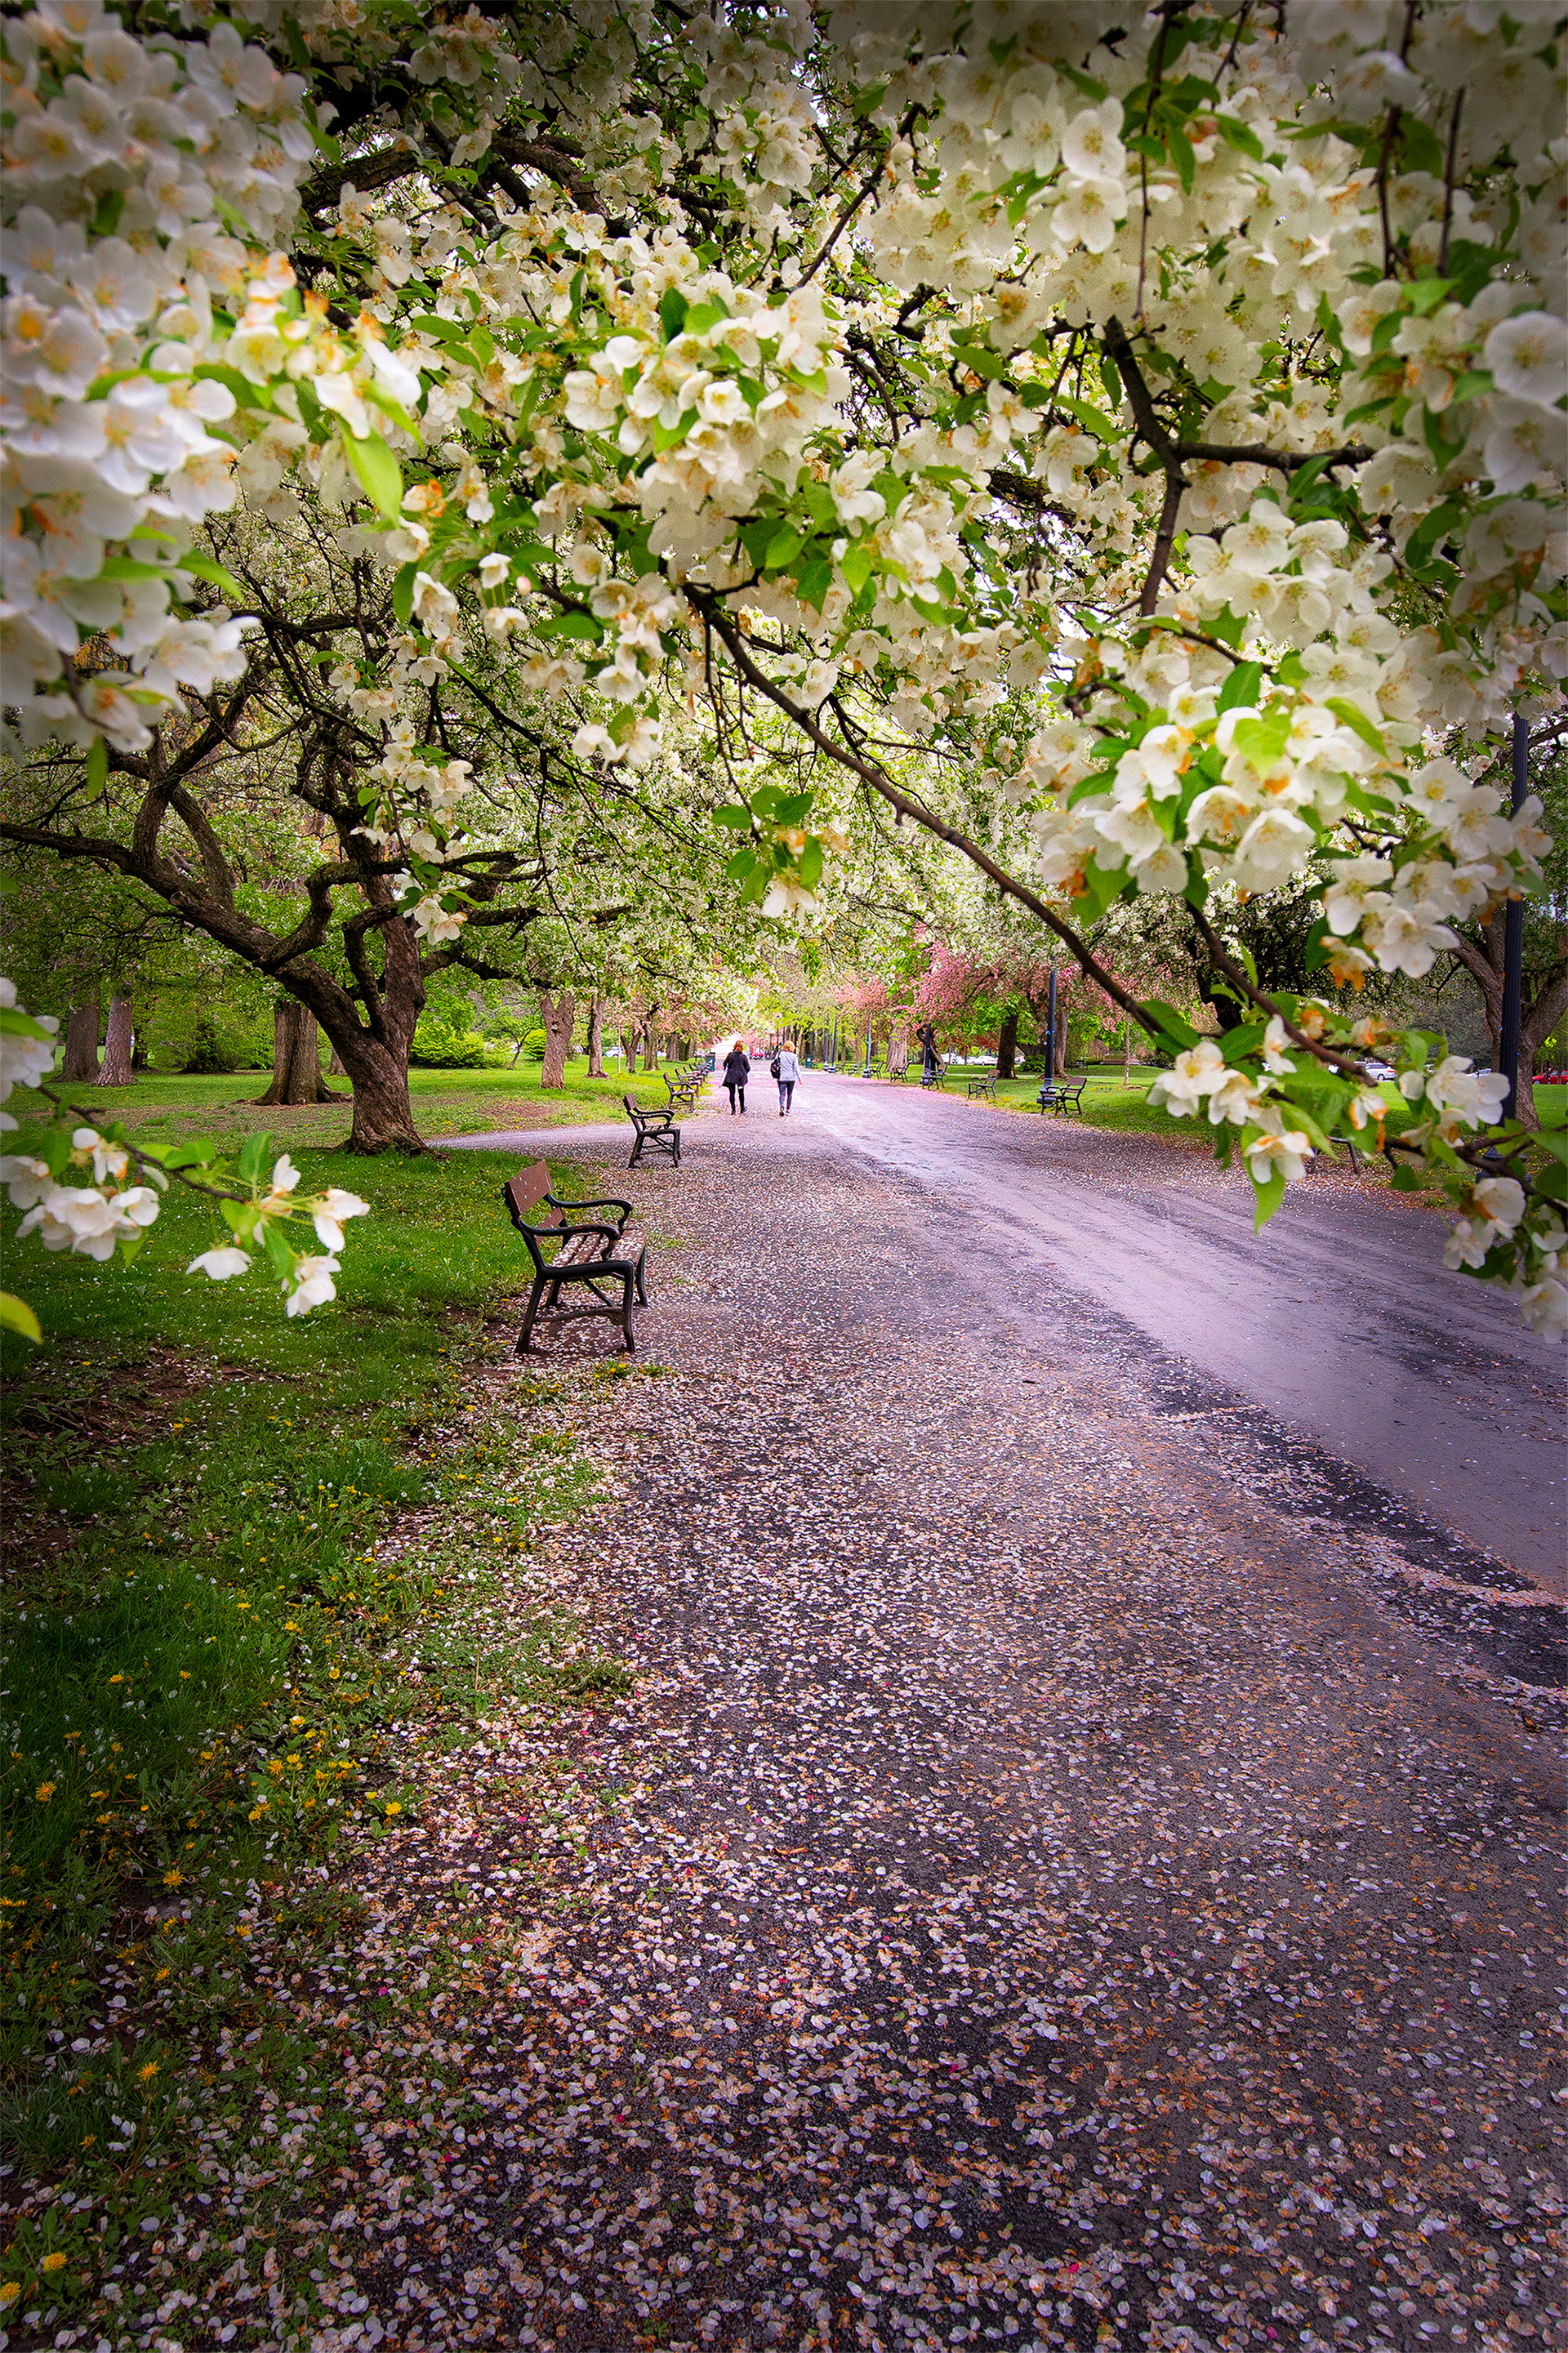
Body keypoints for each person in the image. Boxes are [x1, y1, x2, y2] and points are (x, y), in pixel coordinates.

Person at [722, 1040, 750, 1115]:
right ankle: (742, 1108)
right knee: (741, 1093)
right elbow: (748, 1068)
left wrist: (728, 1069)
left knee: (732, 1093)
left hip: (731, 1076)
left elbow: (725, 1064)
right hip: (741, 1077)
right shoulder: (743, 1057)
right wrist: (743, 1072)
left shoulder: (730, 1055)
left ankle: (733, 1109)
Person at [774, 1041, 800, 1116]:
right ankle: (788, 1110)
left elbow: (775, 1063)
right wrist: (800, 1078)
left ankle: (782, 1105)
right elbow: (796, 1067)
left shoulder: (780, 1054)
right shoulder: (794, 1056)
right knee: (790, 1094)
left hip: (782, 1077)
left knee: (782, 1094)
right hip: (791, 1078)